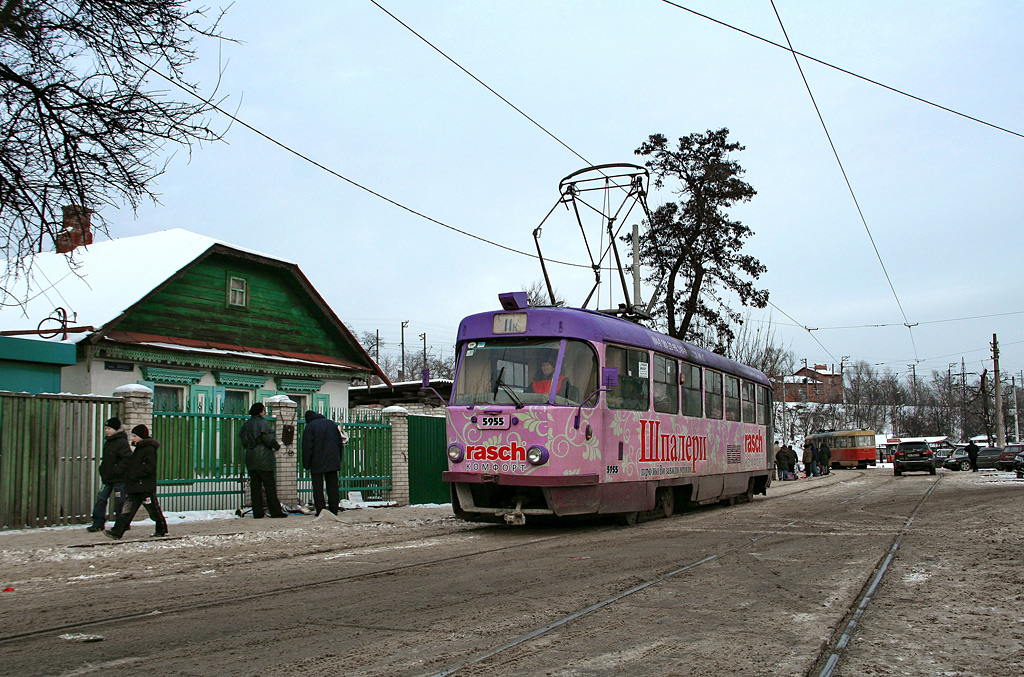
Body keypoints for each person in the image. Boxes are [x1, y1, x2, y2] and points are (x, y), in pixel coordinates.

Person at [104, 425, 168, 539]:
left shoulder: (149, 449)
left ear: (142, 436)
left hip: (144, 487)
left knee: (153, 510)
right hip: (134, 486)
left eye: (135, 436)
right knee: (127, 510)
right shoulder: (139, 448)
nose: (133, 438)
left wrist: (135, 475)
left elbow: (149, 468)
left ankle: (162, 529)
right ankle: (117, 531)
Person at [240, 402, 287, 518]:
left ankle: (258, 512)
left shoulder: (246, 425)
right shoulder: (263, 423)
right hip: (264, 459)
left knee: (255, 487)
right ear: (261, 412)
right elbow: (268, 440)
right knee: (269, 486)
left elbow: (244, 442)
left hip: (250, 459)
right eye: (264, 410)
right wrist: (277, 446)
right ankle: (275, 511)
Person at [87, 417, 132, 532]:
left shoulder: (121, 442)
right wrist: (103, 469)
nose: (107, 430)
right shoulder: (108, 441)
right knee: (101, 499)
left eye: (109, 428)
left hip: (119, 478)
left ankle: (122, 524)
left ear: (116, 429)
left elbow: (127, 459)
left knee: (120, 502)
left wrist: (117, 469)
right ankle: (98, 523)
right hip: (107, 478)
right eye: (106, 428)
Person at [302, 410, 345, 516]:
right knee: (332, 486)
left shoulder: (310, 427)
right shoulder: (331, 424)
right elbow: (339, 443)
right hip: (332, 460)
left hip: (317, 461)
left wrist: (306, 463)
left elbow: (307, 446)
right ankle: (334, 509)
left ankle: (320, 510)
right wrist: (338, 458)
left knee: (318, 487)